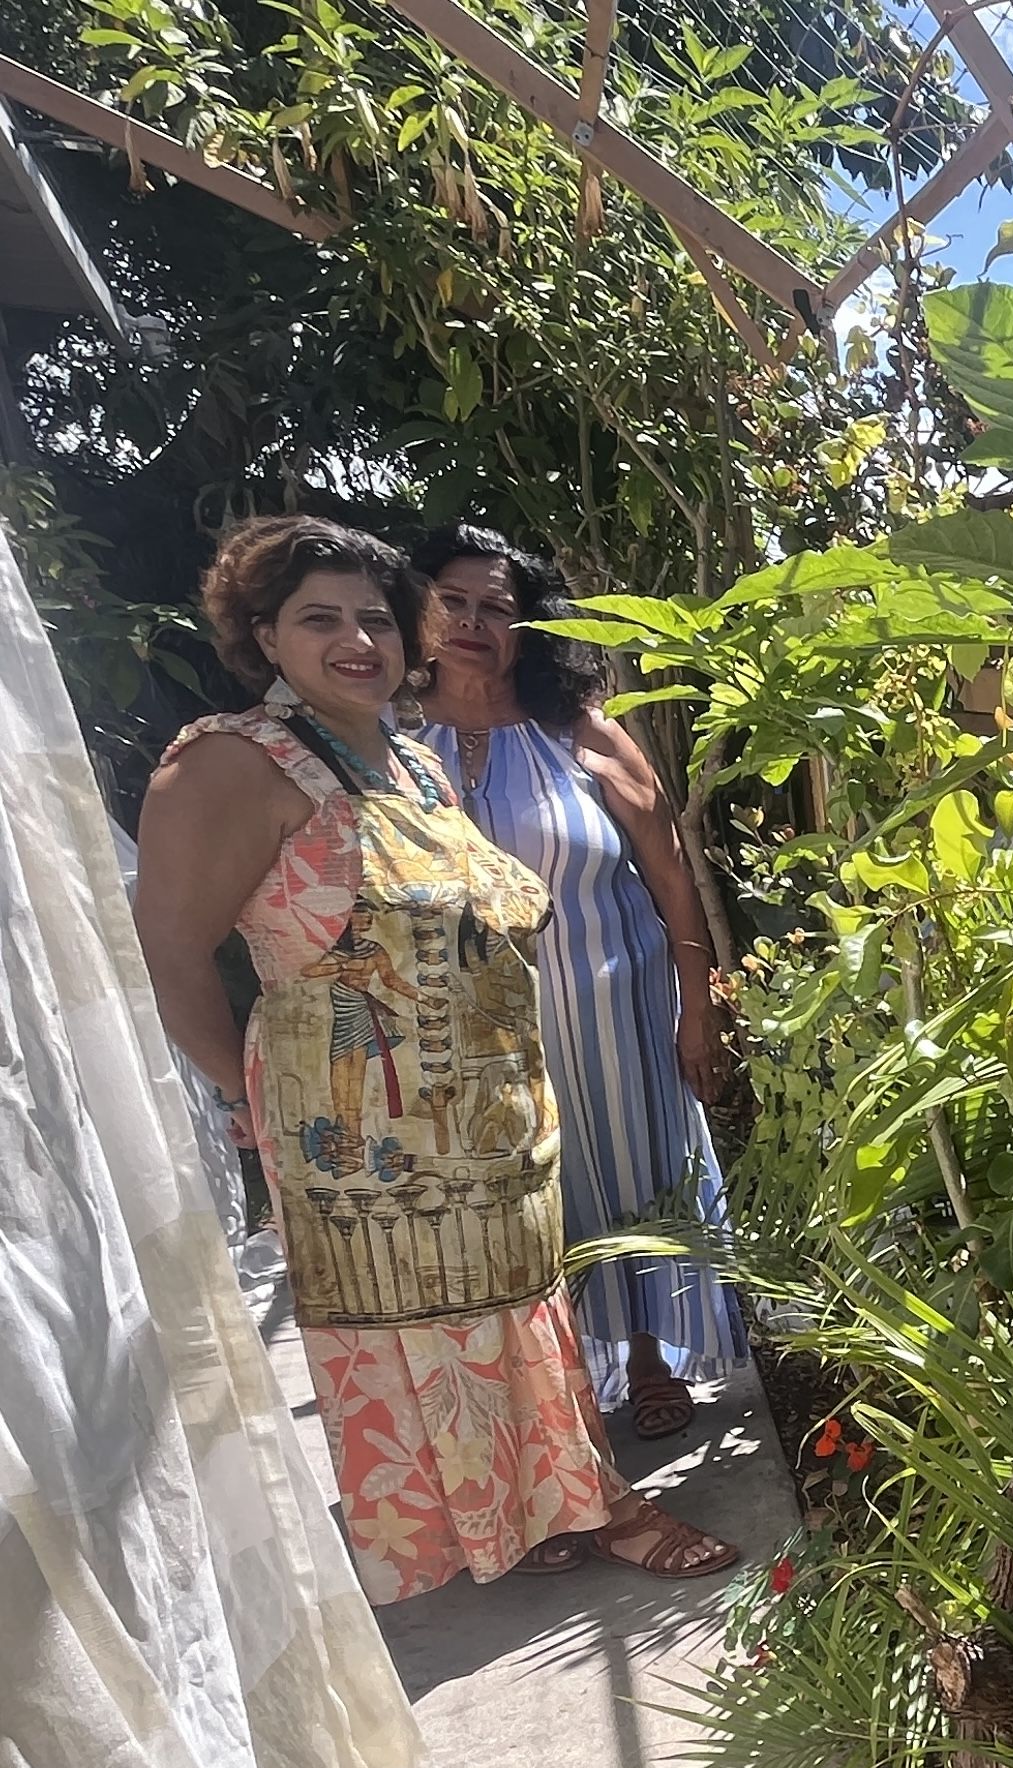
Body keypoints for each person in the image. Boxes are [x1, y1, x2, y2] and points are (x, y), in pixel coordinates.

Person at [132, 513, 735, 1600]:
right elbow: (171, 950)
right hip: (362, 1127)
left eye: (376, 619)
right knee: (411, 1328)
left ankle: (526, 1514)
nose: (358, 641)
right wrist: (252, 1094)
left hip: (484, 1113)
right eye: (322, 619)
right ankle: (579, 1509)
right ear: (265, 635)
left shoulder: (406, 759)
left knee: (509, 1313)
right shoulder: (230, 763)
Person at [411, 522, 744, 1439]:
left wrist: (695, 1010)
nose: (473, 622)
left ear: (532, 627)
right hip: (470, 1026)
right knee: (515, 1200)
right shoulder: (388, 743)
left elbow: (670, 868)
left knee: (632, 1172)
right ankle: (550, 1383)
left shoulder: (579, 732)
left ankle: (646, 1355)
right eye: (454, 601)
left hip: (613, 1004)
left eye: (498, 607)